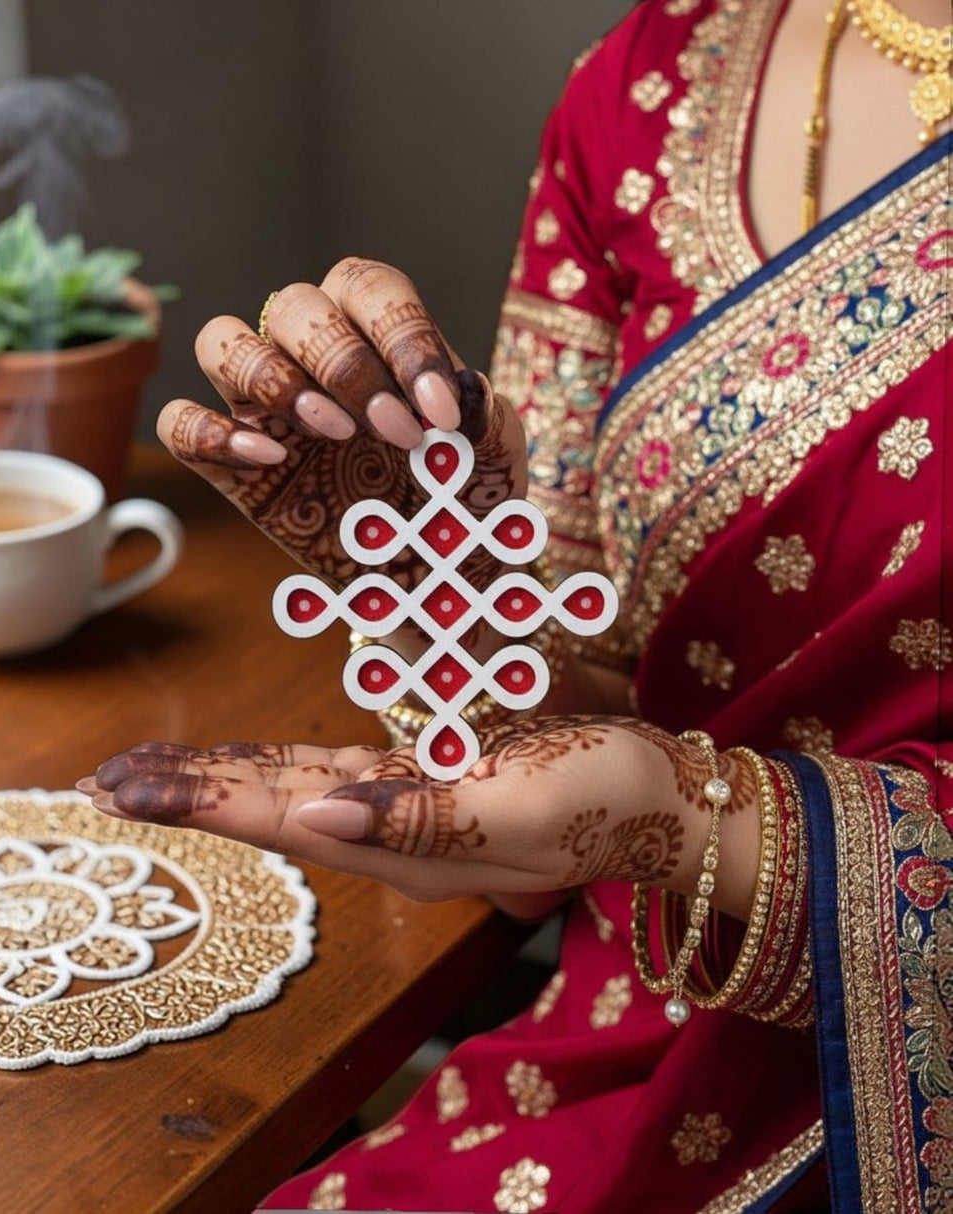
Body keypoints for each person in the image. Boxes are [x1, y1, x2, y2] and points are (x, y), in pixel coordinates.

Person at [78, 0, 951, 1208]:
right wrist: (449, 605)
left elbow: (627, 804)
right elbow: (543, 798)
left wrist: (679, 819)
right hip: (608, 1047)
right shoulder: (647, 82)